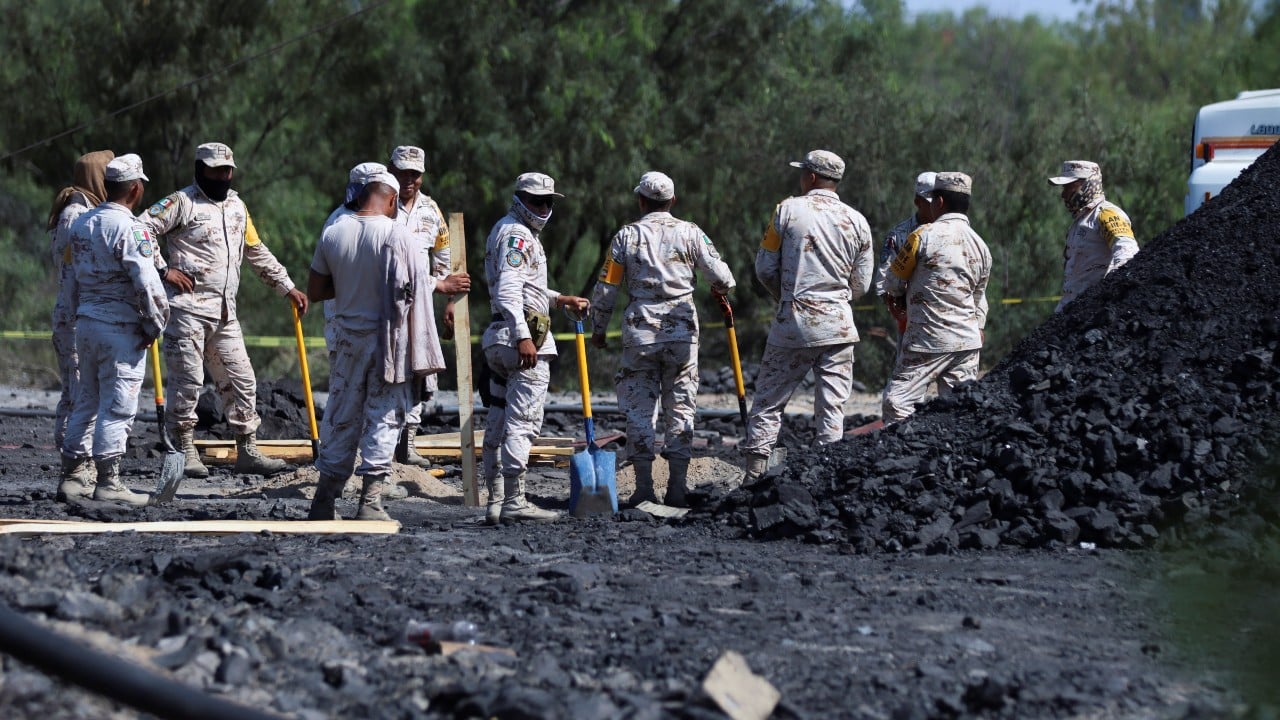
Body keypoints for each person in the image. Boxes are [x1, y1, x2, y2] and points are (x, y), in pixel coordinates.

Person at [140, 142, 310, 479]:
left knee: (242, 379)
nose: (224, 176)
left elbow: (256, 250)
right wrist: (163, 270)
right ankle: (184, 449)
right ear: (200, 168)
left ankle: (247, 449)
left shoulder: (237, 207)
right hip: (186, 310)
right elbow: (140, 228)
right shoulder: (181, 202)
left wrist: (286, 286)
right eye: (216, 170)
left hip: (224, 312)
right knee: (188, 381)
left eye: (228, 170)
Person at [305, 173, 469, 520]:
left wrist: (352, 286)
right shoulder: (399, 235)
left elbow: (317, 290)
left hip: (347, 338)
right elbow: (413, 290)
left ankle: (324, 500)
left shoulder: (334, 230)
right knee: (384, 417)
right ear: (392, 200)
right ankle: (370, 503)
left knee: (340, 415)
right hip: (387, 342)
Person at [589, 171, 735, 507]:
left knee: (640, 409)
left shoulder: (626, 236)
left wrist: (599, 328)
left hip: (640, 331)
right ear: (673, 201)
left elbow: (607, 288)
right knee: (681, 407)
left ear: (641, 200)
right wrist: (718, 290)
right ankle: (677, 488)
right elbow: (723, 276)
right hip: (682, 331)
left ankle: (643, 489)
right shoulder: (690, 232)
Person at [742, 150, 874, 483]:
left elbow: (764, 267)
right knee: (832, 408)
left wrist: (784, 295)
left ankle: (754, 473)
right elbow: (862, 283)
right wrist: (838, 301)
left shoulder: (786, 211)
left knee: (770, 401)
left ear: (811, 177)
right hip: (839, 325)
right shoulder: (857, 221)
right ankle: (826, 478)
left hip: (794, 322)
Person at [58, 154, 169, 505]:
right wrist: (154, 324)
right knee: (118, 405)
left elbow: (72, 281)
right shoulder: (132, 228)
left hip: (86, 324)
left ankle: (72, 475)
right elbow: (148, 284)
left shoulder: (82, 224)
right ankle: (109, 481)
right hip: (120, 328)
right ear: (135, 189)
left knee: (85, 401)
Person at [480, 172, 590, 524]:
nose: (544, 208)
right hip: (522, 341)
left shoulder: (509, 230)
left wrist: (558, 299)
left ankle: (495, 502)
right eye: (537, 200)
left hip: (498, 338)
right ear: (520, 198)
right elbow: (510, 288)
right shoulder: (518, 235)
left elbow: (524, 286)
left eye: (548, 202)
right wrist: (523, 335)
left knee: (497, 419)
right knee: (522, 422)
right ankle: (515, 500)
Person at [881, 172, 991, 423]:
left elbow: (893, 282)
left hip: (927, 339)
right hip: (967, 342)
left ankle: (899, 455)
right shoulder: (981, 245)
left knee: (897, 402)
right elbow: (979, 296)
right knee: (959, 408)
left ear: (939, 202)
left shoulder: (921, 236)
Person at [387, 145, 455, 469]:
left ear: (422, 176)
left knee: (419, 372)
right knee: (388, 374)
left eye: (414, 174)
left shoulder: (431, 211)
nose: (408, 180)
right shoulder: (379, 204)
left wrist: (449, 300)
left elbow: (444, 262)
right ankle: (382, 448)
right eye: (402, 173)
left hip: (421, 309)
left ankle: (408, 443)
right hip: (386, 307)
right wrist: (438, 284)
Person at [47, 149, 115, 452]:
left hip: (75, 312)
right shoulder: (76, 214)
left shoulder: (82, 208)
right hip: (75, 314)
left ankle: (70, 449)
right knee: (79, 391)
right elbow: (74, 270)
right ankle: (74, 456)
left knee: (76, 390)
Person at [1047, 160, 1139, 311]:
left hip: (1094, 310)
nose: (1063, 194)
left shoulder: (1106, 213)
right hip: (1070, 311)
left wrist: (1110, 293)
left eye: (1069, 187)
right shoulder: (1079, 222)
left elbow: (1127, 252)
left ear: (1087, 184)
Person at [877, 172, 939, 337]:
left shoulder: (953, 232)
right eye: (930, 203)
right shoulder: (899, 235)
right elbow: (883, 282)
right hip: (913, 326)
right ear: (918, 202)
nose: (937, 208)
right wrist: (900, 310)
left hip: (947, 324)